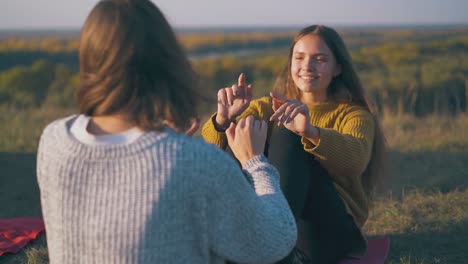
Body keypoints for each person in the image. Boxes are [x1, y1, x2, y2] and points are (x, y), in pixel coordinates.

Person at [36, 0, 297, 263]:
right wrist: (255, 162)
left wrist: (168, 146)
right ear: (167, 60)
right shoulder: (195, 163)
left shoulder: (54, 141)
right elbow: (275, 240)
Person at [202, 25, 387, 264]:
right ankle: (230, 243)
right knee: (237, 131)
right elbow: (213, 153)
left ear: (338, 67)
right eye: (299, 58)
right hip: (275, 229)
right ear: (291, 63)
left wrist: (309, 131)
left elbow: (355, 161)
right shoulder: (268, 106)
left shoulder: (354, 115)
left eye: (319, 59)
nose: (307, 67)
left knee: (288, 135)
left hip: (326, 231)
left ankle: (268, 243)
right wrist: (223, 120)